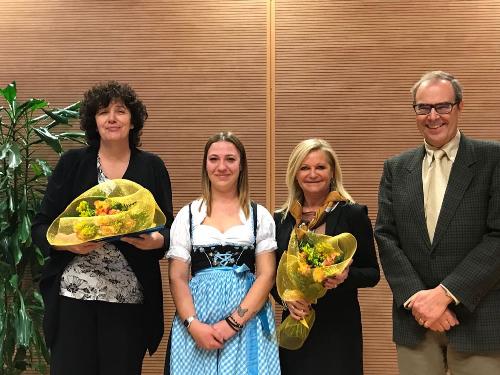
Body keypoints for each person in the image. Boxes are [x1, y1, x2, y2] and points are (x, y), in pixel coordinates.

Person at [31, 81, 173, 375]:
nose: (111, 118)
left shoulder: (152, 167)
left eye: (120, 111)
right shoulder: (73, 163)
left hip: (128, 298)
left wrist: (156, 241)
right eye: (103, 112)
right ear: (93, 122)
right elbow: (41, 225)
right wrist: (66, 244)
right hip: (73, 296)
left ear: (133, 120)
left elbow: (170, 230)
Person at [375, 71, 500, 374]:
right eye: (423, 108)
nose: (433, 116)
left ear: (459, 107)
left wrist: (445, 295)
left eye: (443, 106)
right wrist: (420, 302)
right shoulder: (396, 168)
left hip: (477, 318)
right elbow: (385, 237)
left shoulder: (492, 159)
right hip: (415, 321)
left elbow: (498, 236)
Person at [166, 131, 280, 374]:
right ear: (205, 164)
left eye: (230, 159)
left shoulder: (259, 216)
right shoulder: (188, 216)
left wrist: (233, 323)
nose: (222, 166)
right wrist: (193, 325)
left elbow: (267, 275)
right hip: (197, 321)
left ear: (241, 166)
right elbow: (177, 277)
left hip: (246, 321)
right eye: (214, 159)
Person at [273, 138, 380, 375]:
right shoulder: (280, 220)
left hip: (339, 328)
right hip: (295, 323)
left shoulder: (352, 213)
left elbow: (372, 273)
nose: (313, 174)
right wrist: (286, 300)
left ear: (332, 172)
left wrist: (345, 276)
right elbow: (271, 277)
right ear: (295, 174)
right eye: (305, 167)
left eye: (320, 167)